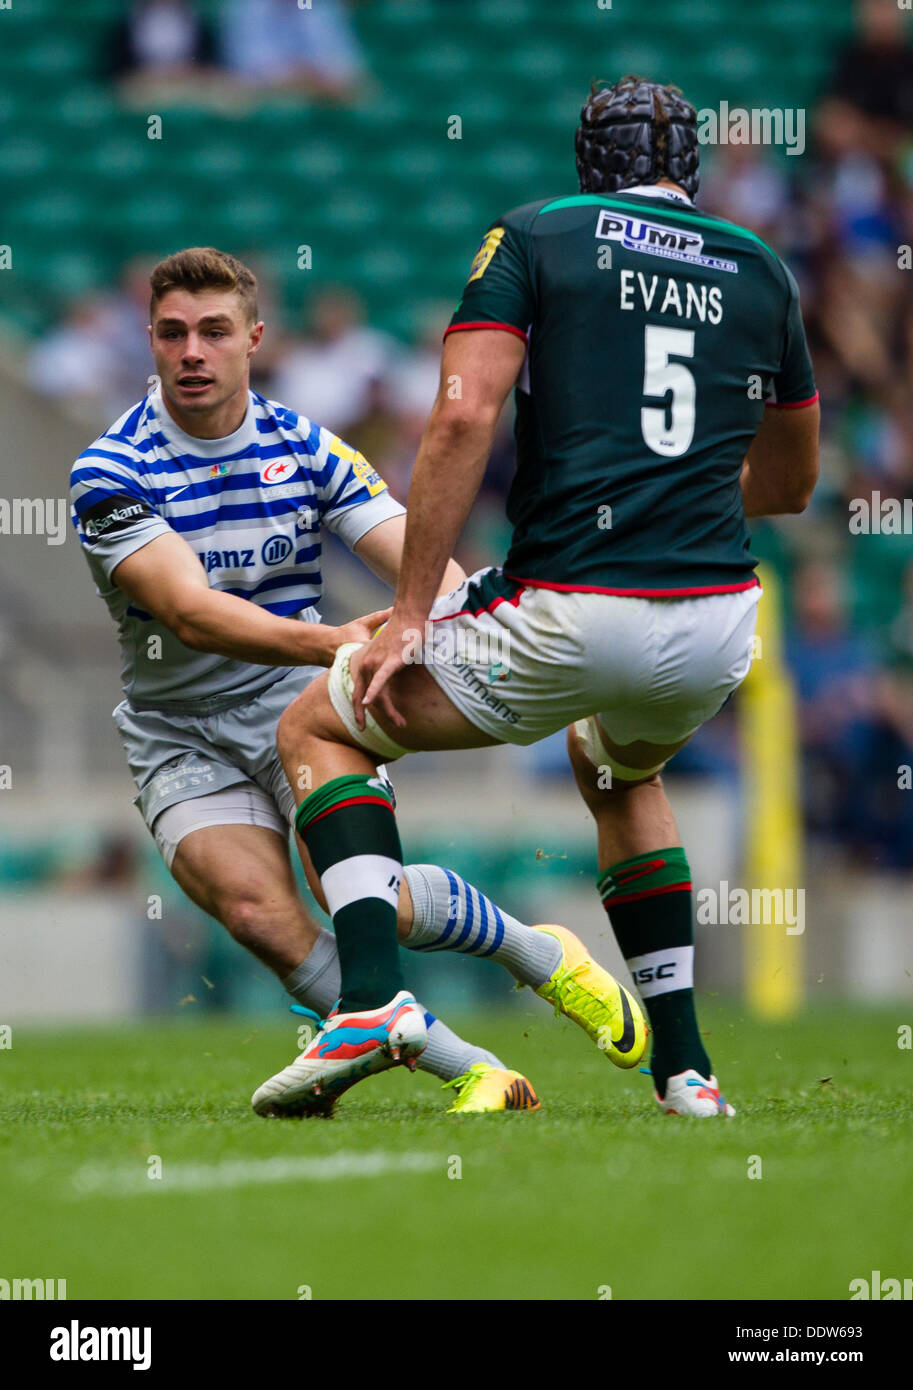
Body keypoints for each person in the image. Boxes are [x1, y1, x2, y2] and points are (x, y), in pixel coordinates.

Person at [267, 75, 820, 1118]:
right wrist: (679, 495)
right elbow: (789, 485)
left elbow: (461, 419)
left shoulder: (537, 234)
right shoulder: (763, 269)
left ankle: (374, 1000)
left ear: (587, 163)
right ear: (687, 166)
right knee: (615, 767)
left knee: (320, 726)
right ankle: (687, 1069)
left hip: (567, 599)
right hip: (713, 622)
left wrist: (420, 608)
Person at [69, 246, 642, 1119]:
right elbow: (188, 612)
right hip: (176, 726)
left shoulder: (305, 447)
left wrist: (467, 625)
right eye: (174, 333)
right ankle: (469, 1067)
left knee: (383, 905)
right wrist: (334, 639)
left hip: (297, 713)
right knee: (261, 915)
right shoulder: (109, 473)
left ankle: (541, 955)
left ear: (253, 339)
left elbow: (417, 558)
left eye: (214, 332)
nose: (193, 351)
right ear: (149, 340)